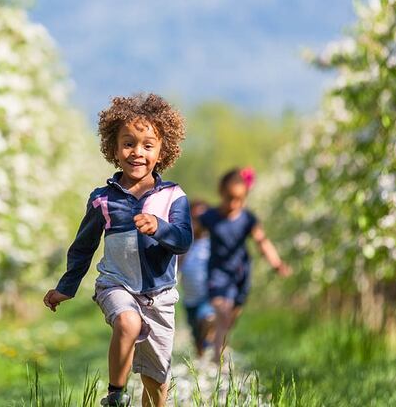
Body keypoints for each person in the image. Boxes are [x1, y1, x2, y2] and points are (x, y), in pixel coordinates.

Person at [43, 93, 191, 407]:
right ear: (113, 148)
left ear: (162, 151)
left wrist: (159, 226)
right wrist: (66, 288)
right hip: (116, 284)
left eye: (148, 145)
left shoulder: (173, 196)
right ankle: (115, 395)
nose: (137, 152)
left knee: (156, 381)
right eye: (128, 144)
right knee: (128, 321)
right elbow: (83, 247)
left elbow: (183, 240)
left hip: (160, 295)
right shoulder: (103, 199)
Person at [199, 167, 292, 365]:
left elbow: (262, 242)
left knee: (230, 319)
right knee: (223, 313)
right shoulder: (210, 217)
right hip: (217, 273)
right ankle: (218, 360)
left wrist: (276, 263)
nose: (233, 204)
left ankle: (210, 326)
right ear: (221, 193)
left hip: (240, 274)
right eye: (229, 198)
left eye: (239, 199)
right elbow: (191, 235)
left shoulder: (248, 219)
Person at [178, 199, 215, 358]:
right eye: (194, 218)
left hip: (209, 295)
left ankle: (213, 347)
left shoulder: (212, 242)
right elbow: (177, 266)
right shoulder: (186, 243)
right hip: (190, 298)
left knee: (208, 319)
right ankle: (202, 359)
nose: (199, 222)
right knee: (197, 336)